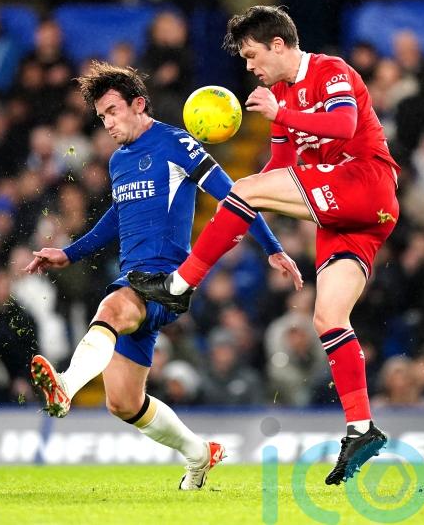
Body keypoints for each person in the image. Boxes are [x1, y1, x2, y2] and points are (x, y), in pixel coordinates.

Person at [128, 5, 401, 485]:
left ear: (278, 45)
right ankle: (361, 427)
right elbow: (275, 171)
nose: (249, 67)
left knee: (247, 189)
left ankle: (179, 283)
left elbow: (342, 126)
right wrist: (272, 245)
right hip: (348, 217)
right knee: (328, 318)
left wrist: (282, 113)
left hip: (365, 182)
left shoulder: (331, 71)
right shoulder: (277, 94)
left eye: (253, 56)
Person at [25, 61, 301, 490]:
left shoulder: (177, 143)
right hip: (137, 279)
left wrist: (273, 248)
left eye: (114, 111)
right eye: (102, 117)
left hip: (168, 279)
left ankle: (66, 386)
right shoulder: (119, 161)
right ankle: (198, 454)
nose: (108, 123)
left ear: (139, 103)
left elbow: (235, 196)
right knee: (122, 402)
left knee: (111, 308)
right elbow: (117, 217)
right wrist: (69, 253)